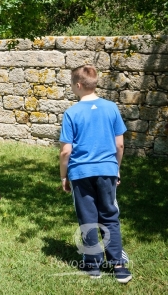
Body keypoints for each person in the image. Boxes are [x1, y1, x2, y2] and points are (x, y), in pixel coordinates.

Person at [59, 64, 132, 283]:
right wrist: (115, 168)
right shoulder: (111, 108)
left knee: (87, 217)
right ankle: (119, 266)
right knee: (110, 215)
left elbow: (65, 151)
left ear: (78, 85)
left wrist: (64, 176)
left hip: (80, 173)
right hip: (107, 170)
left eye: (72, 85)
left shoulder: (71, 113)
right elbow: (119, 145)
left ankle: (93, 266)